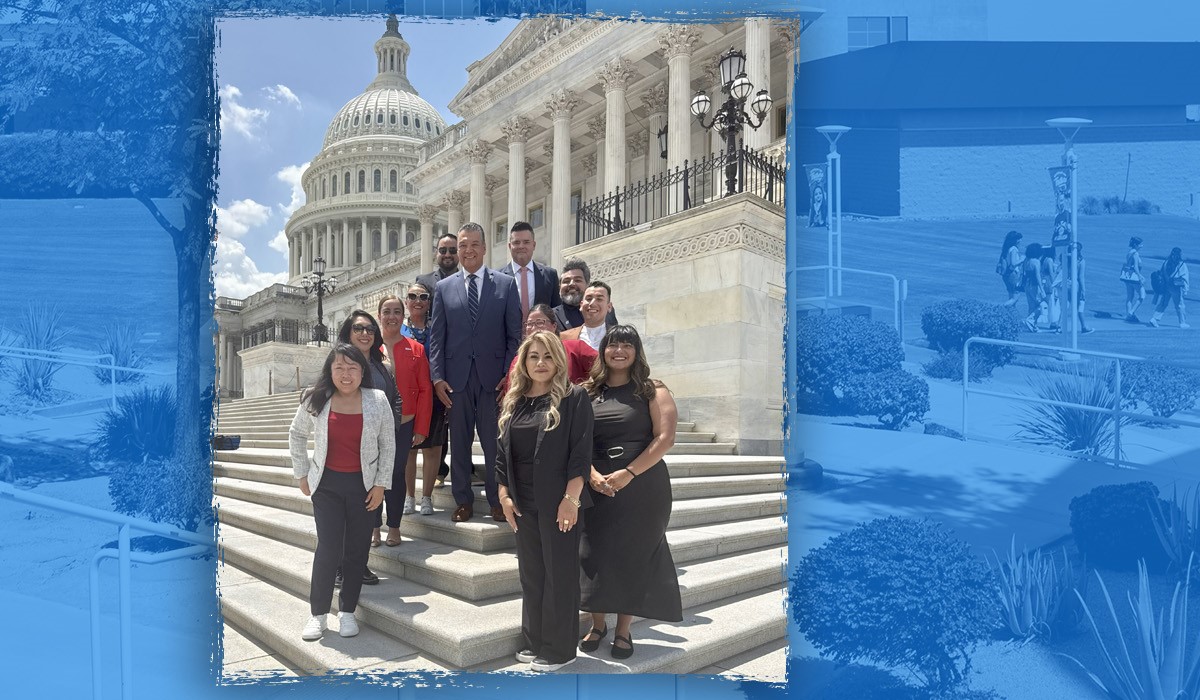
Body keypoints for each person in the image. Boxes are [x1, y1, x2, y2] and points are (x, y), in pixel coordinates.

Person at [578, 325, 683, 661]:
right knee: (592, 553)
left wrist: (628, 473)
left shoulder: (653, 390)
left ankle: (623, 630)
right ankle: (597, 625)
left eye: (627, 344)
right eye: (612, 344)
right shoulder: (586, 392)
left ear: (637, 351)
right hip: (594, 484)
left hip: (642, 484)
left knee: (631, 556)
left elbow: (664, 438)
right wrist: (592, 475)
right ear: (603, 351)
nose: (619, 350)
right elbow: (575, 440)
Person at [495, 331, 594, 672]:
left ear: (559, 361)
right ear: (523, 362)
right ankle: (535, 639)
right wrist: (504, 495)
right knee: (533, 575)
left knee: (560, 575)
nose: (540, 363)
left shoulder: (573, 397)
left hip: (558, 502)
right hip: (523, 504)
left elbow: (581, 453)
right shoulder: (516, 400)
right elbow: (501, 455)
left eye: (547, 356)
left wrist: (571, 499)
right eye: (533, 356)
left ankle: (561, 649)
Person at [289, 343, 395, 642]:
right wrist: (302, 472)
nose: (346, 374)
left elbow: (388, 444)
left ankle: (347, 611)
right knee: (328, 548)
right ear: (330, 370)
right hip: (327, 486)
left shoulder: (377, 399)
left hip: (364, 486)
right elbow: (297, 434)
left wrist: (380, 484)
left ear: (363, 371)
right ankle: (318, 614)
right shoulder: (316, 397)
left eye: (352, 368)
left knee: (357, 550)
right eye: (339, 368)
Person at [428, 222, 523, 522]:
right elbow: (436, 337)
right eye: (462, 246)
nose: (467, 250)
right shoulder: (443, 288)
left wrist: (509, 377)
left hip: (493, 380)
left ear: (484, 247)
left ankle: (498, 499)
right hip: (456, 381)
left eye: (473, 244)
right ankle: (463, 500)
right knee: (459, 443)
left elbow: (514, 336)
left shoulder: (505, 285)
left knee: (495, 443)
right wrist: (437, 377)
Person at [387, 287, 444, 518]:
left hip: (435, 392)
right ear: (406, 303)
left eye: (423, 297)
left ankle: (427, 497)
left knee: (433, 447)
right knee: (408, 450)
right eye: (412, 297)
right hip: (406, 397)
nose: (417, 301)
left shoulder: (438, 326)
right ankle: (410, 496)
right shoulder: (397, 329)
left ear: (429, 302)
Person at [417, 234, 460, 487]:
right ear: (436, 253)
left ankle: (461, 466)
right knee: (439, 419)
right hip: (435, 356)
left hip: (459, 355)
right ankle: (440, 470)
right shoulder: (424, 282)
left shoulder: (465, 280)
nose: (447, 254)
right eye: (443, 250)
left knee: (459, 417)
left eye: (452, 250)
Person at [501, 304, 598, 394]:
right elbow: (511, 393)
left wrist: (586, 390)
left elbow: (603, 368)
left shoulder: (575, 348)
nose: (534, 328)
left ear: (554, 326)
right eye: (529, 324)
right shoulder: (518, 360)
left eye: (540, 322)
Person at [498, 221, 561, 316]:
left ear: (534, 245)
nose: (521, 246)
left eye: (526, 242)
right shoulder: (498, 278)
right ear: (510, 246)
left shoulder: (550, 275)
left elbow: (556, 311)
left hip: (541, 330)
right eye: (516, 242)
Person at [552, 258, 619, 332]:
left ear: (588, 285)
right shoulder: (550, 316)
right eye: (566, 281)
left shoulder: (605, 309)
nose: (571, 284)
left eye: (577, 280)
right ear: (559, 287)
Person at [559, 281, 614, 351]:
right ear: (581, 305)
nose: (592, 303)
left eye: (599, 299)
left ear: (609, 307)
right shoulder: (564, 338)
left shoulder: (619, 336)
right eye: (588, 299)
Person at [1150, 247, 1190, 329]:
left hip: (1166, 286)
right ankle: (1182, 322)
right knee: (1179, 305)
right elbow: (1185, 278)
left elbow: (1161, 273)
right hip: (1176, 288)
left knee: (1163, 303)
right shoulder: (1181, 264)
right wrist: (1186, 290)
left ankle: (1154, 318)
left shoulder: (1166, 262)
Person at [1121, 236, 1147, 323]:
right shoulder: (1135, 253)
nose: (1142, 246)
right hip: (1134, 278)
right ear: (1136, 245)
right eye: (1140, 244)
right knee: (1142, 296)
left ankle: (1129, 315)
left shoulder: (1129, 252)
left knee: (1130, 297)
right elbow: (1135, 267)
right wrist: (1140, 277)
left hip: (1127, 278)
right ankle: (1131, 313)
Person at [996, 231, 1024, 306]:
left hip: (1007, 275)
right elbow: (1013, 263)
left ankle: (1010, 315)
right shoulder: (1014, 249)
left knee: (1011, 296)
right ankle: (1001, 309)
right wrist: (1022, 259)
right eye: (1019, 239)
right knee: (1016, 297)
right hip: (1012, 274)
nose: (1020, 241)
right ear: (1015, 240)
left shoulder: (1006, 248)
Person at [1022, 243, 1046, 332]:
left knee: (1031, 306)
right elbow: (1037, 276)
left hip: (1027, 285)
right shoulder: (1036, 261)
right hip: (1034, 285)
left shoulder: (1026, 260)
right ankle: (1029, 320)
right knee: (1041, 305)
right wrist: (1042, 289)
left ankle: (1033, 326)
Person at [1041, 247, 1063, 334]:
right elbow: (1051, 273)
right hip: (1050, 282)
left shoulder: (1044, 259)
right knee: (1052, 303)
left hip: (1045, 281)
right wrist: (1055, 283)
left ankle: (1053, 322)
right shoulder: (1049, 260)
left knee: (1050, 302)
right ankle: (1054, 322)